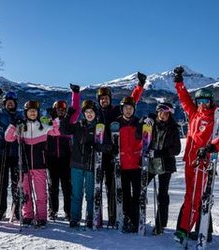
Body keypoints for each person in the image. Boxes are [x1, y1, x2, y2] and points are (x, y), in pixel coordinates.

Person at [173, 66, 219, 243]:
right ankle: (202, 230)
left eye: (206, 101)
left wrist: (212, 147)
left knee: (195, 197)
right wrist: (179, 82)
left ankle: (184, 230)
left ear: (211, 101)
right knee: (190, 196)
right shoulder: (194, 113)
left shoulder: (216, 115)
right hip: (189, 161)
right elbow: (184, 99)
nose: (202, 104)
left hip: (202, 162)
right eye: (199, 101)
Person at [96, 72, 146, 226]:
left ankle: (114, 216)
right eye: (102, 98)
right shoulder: (95, 113)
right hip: (100, 153)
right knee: (99, 187)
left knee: (114, 188)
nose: (104, 100)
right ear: (99, 100)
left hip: (114, 154)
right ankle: (101, 216)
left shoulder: (116, 111)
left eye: (106, 98)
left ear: (110, 99)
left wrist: (140, 86)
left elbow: (131, 103)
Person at [5, 100, 60, 226]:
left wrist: (55, 117)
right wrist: (13, 124)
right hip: (24, 167)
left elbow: (57, 132)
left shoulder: (43, 127)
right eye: (30, 111)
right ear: (26, 113)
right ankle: (28, 215)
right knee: (26, 193)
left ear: (38, 112)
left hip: (39, 165)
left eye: (35, 111)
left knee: (40, 193)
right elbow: (8, 138)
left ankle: (41, 217)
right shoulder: (21, 127)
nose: (32, 113)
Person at [60, 100, 111, 228]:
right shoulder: (78, 126)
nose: (89, 114)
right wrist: (68, 115)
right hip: (76, 165)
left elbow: (109, 146)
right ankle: (75, 218)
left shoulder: (100, 128)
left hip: (91, 166)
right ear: (83, 113)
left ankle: (90, 217)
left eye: (91, 112)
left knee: (90, 195)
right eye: (87, 112)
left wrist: (100, 147)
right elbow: (63, 130)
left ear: (95, 113)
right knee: (76, 194)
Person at [0, 89, 24, 222]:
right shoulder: (0, 116)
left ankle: (17, 210)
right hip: (2, 152)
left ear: (15, 103)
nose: (10, 105)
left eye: (11, 102)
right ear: (4, 104)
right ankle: (0, 210)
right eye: (7, 103)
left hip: (16, 153)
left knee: (17, 184)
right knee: (2, 183)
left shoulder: (20, 115)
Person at [45, 83, 80, 221]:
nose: (60, 111)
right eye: (58, 109)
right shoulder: (48, 121)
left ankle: (68, 211)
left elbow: (76, 110)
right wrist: (52, 119)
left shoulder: (69, 121)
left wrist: (75, 94)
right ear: (54, 110)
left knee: (67, 187)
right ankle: (53, 210)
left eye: (63, 109)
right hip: (52, 158)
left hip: (66, 158)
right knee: (53, 186)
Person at [146, 102, 181, 235]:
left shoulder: (173, 128)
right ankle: (137, 217)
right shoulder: (150, 124)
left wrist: (158, 153)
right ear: (157, 112)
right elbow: (141, 133)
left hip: (165, 164)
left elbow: (176, 150)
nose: (163, 115)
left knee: (162, 194)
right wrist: (146, 118)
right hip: (150, 163)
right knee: (140, 188)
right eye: (161, 112)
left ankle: (161, 224)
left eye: (166, 113)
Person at [114, 96, 143, 233]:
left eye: (130, 108)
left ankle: (135, 220)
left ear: (134, 109)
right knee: (124, 194)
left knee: (136, 195)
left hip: (137, 165)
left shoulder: (139, 123)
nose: (128, 110)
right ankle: (126, 218)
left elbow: (147, 139)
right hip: (123, 165)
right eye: (125, 108)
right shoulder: (116, 124)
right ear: (122, 109)